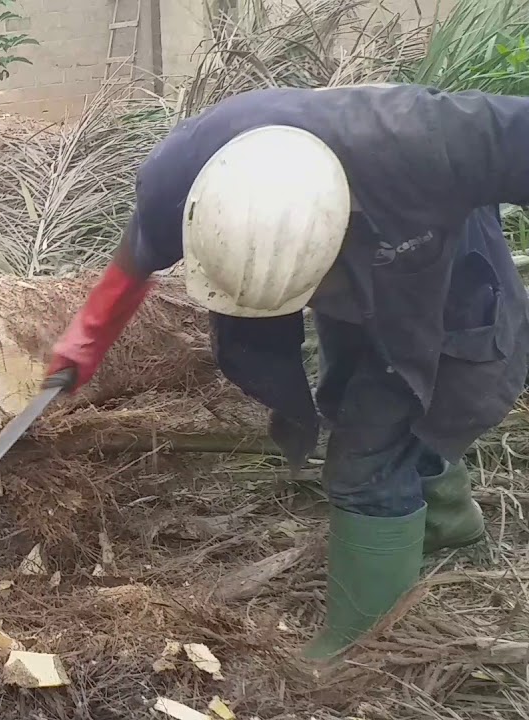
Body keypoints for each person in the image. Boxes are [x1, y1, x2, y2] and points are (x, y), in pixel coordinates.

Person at [46, 83, 529, 661]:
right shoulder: (184, 172)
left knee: (373, 456)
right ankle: (446, 519)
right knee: (349, 391)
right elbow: (141, 249)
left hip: (433, 265)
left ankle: (362, 650)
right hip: (347, 250)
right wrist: (86, 339)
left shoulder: (432, 138)